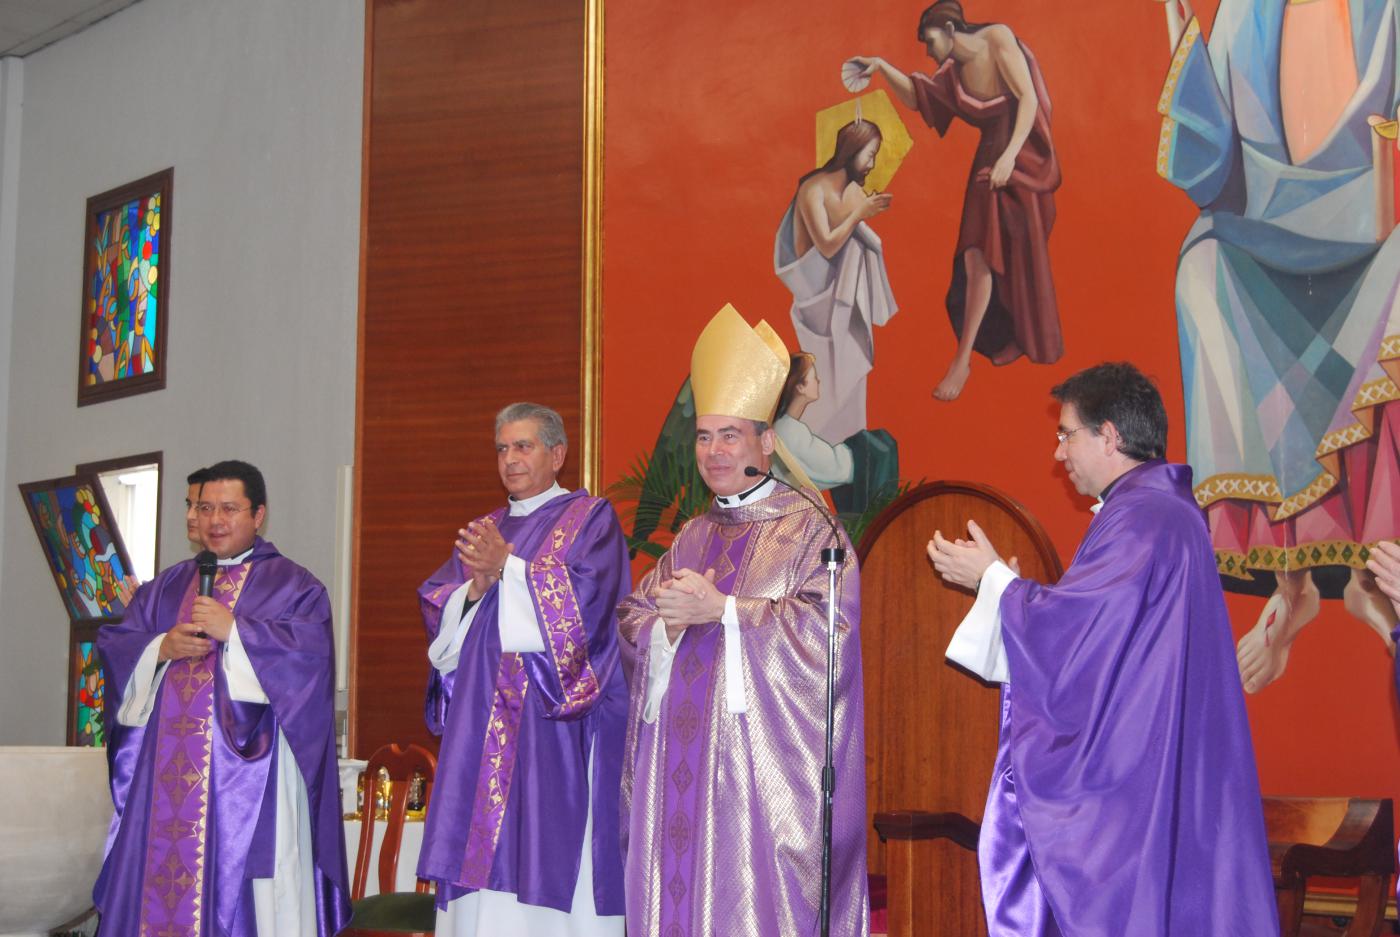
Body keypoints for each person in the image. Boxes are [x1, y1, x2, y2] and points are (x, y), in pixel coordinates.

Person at [928, 362, 1277, 936]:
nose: (1058, 452)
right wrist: (1009, 592)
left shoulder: (1143, 517)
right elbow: (1103, 633)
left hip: (1135, 786)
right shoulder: (1160, 511)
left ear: (1109, 436)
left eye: (1066, 434)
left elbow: (1082, 636)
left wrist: (996, 583)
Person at [1154, 0, 1400, 693]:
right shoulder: (1247, 10)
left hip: (1371, 224)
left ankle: (1375, 576)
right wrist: (1184, 46)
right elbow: (1212, 172)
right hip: (1265, 224)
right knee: (1200, 270)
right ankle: (1293, 586)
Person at [618, 305, 869, 936]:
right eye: (704, 437)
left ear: (767, 442)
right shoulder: (692, 535)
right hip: (681, 770)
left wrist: (725, 611)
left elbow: (829, 635)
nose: (714, 452)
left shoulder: (813, 529)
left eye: (730, 435)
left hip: (756, 781)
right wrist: (667, 628)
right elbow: (634, 616)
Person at [94, 459, 350, 936]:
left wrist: (235, 631)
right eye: (205, 508)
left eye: (229, 509)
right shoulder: (167, 586)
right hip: (165, 784)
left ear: (258, 515)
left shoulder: (295, 587)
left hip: (251, 779)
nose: (214, 520)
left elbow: (308, 666)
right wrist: (160, 649)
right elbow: (116, 646)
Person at [416, 402, 629, 936]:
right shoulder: (486, 528)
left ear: (557, 454)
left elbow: (589, 608)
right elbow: (440, 605)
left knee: (544, 851)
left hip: (549, 728)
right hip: (479, 726)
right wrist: (475, 590)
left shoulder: (590, 518)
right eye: (502, 448)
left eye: (523, 446)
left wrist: (507, 569)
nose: (510, 459)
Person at [850, 0, 1062, 401]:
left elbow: (1029, 99)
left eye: (931, 42)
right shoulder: (952, 73)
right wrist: (880, 66)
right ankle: (962, 359)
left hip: (1021, 157)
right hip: (989, 162)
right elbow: (919, 97)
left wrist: (1009, 158)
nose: (929, 52)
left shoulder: (997, 38)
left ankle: (966, 358)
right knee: (975, 253)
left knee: (1000, 252)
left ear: (950, 30)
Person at [775, 118, 897, 442]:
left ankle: (846, 452)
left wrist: (863, 214)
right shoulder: (813, 189)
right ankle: (811, 450)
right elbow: (827, 245)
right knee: (823, 385)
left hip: (844, 301)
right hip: (816, 301)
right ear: (852, 151)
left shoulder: (854, 192)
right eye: (869, 154)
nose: (872, 164)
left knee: (850, 378)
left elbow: (861, 240)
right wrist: (860, 213)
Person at [775, 351, 899, 516]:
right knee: (882, 445)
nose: (818, 381)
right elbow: (834, 467)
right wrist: (871, 447)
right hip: (789, 516)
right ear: (800, 387)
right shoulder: (788, 430)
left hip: (792, 513)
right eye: (814, 377)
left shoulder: (786, 427)